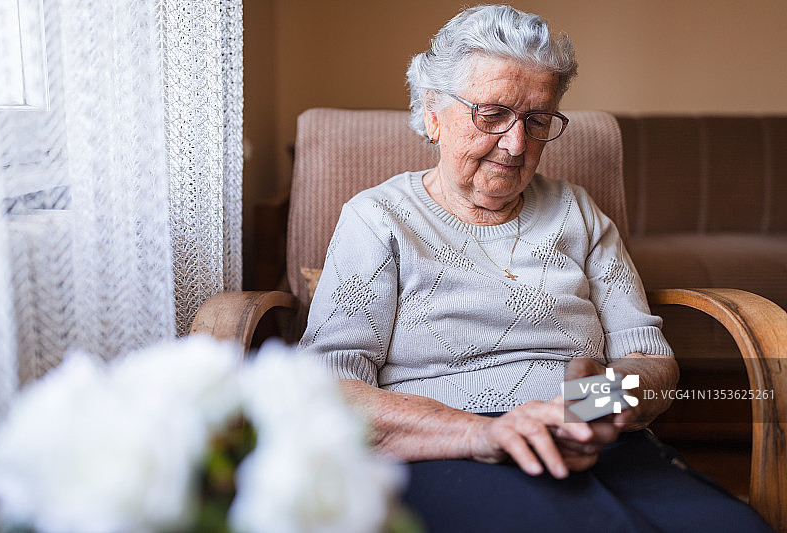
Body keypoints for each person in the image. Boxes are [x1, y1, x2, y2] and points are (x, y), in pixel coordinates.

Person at [299, 5, 773, 532]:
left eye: (537, 120)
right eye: (493, 114)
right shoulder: (378, 218)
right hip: (446, 450)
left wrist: (592, 405)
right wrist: (480, 435)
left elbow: (651, 361)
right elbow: (329, 387)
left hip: (590, 438)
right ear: (433, 112)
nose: (517, 143)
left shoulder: (578, 213)